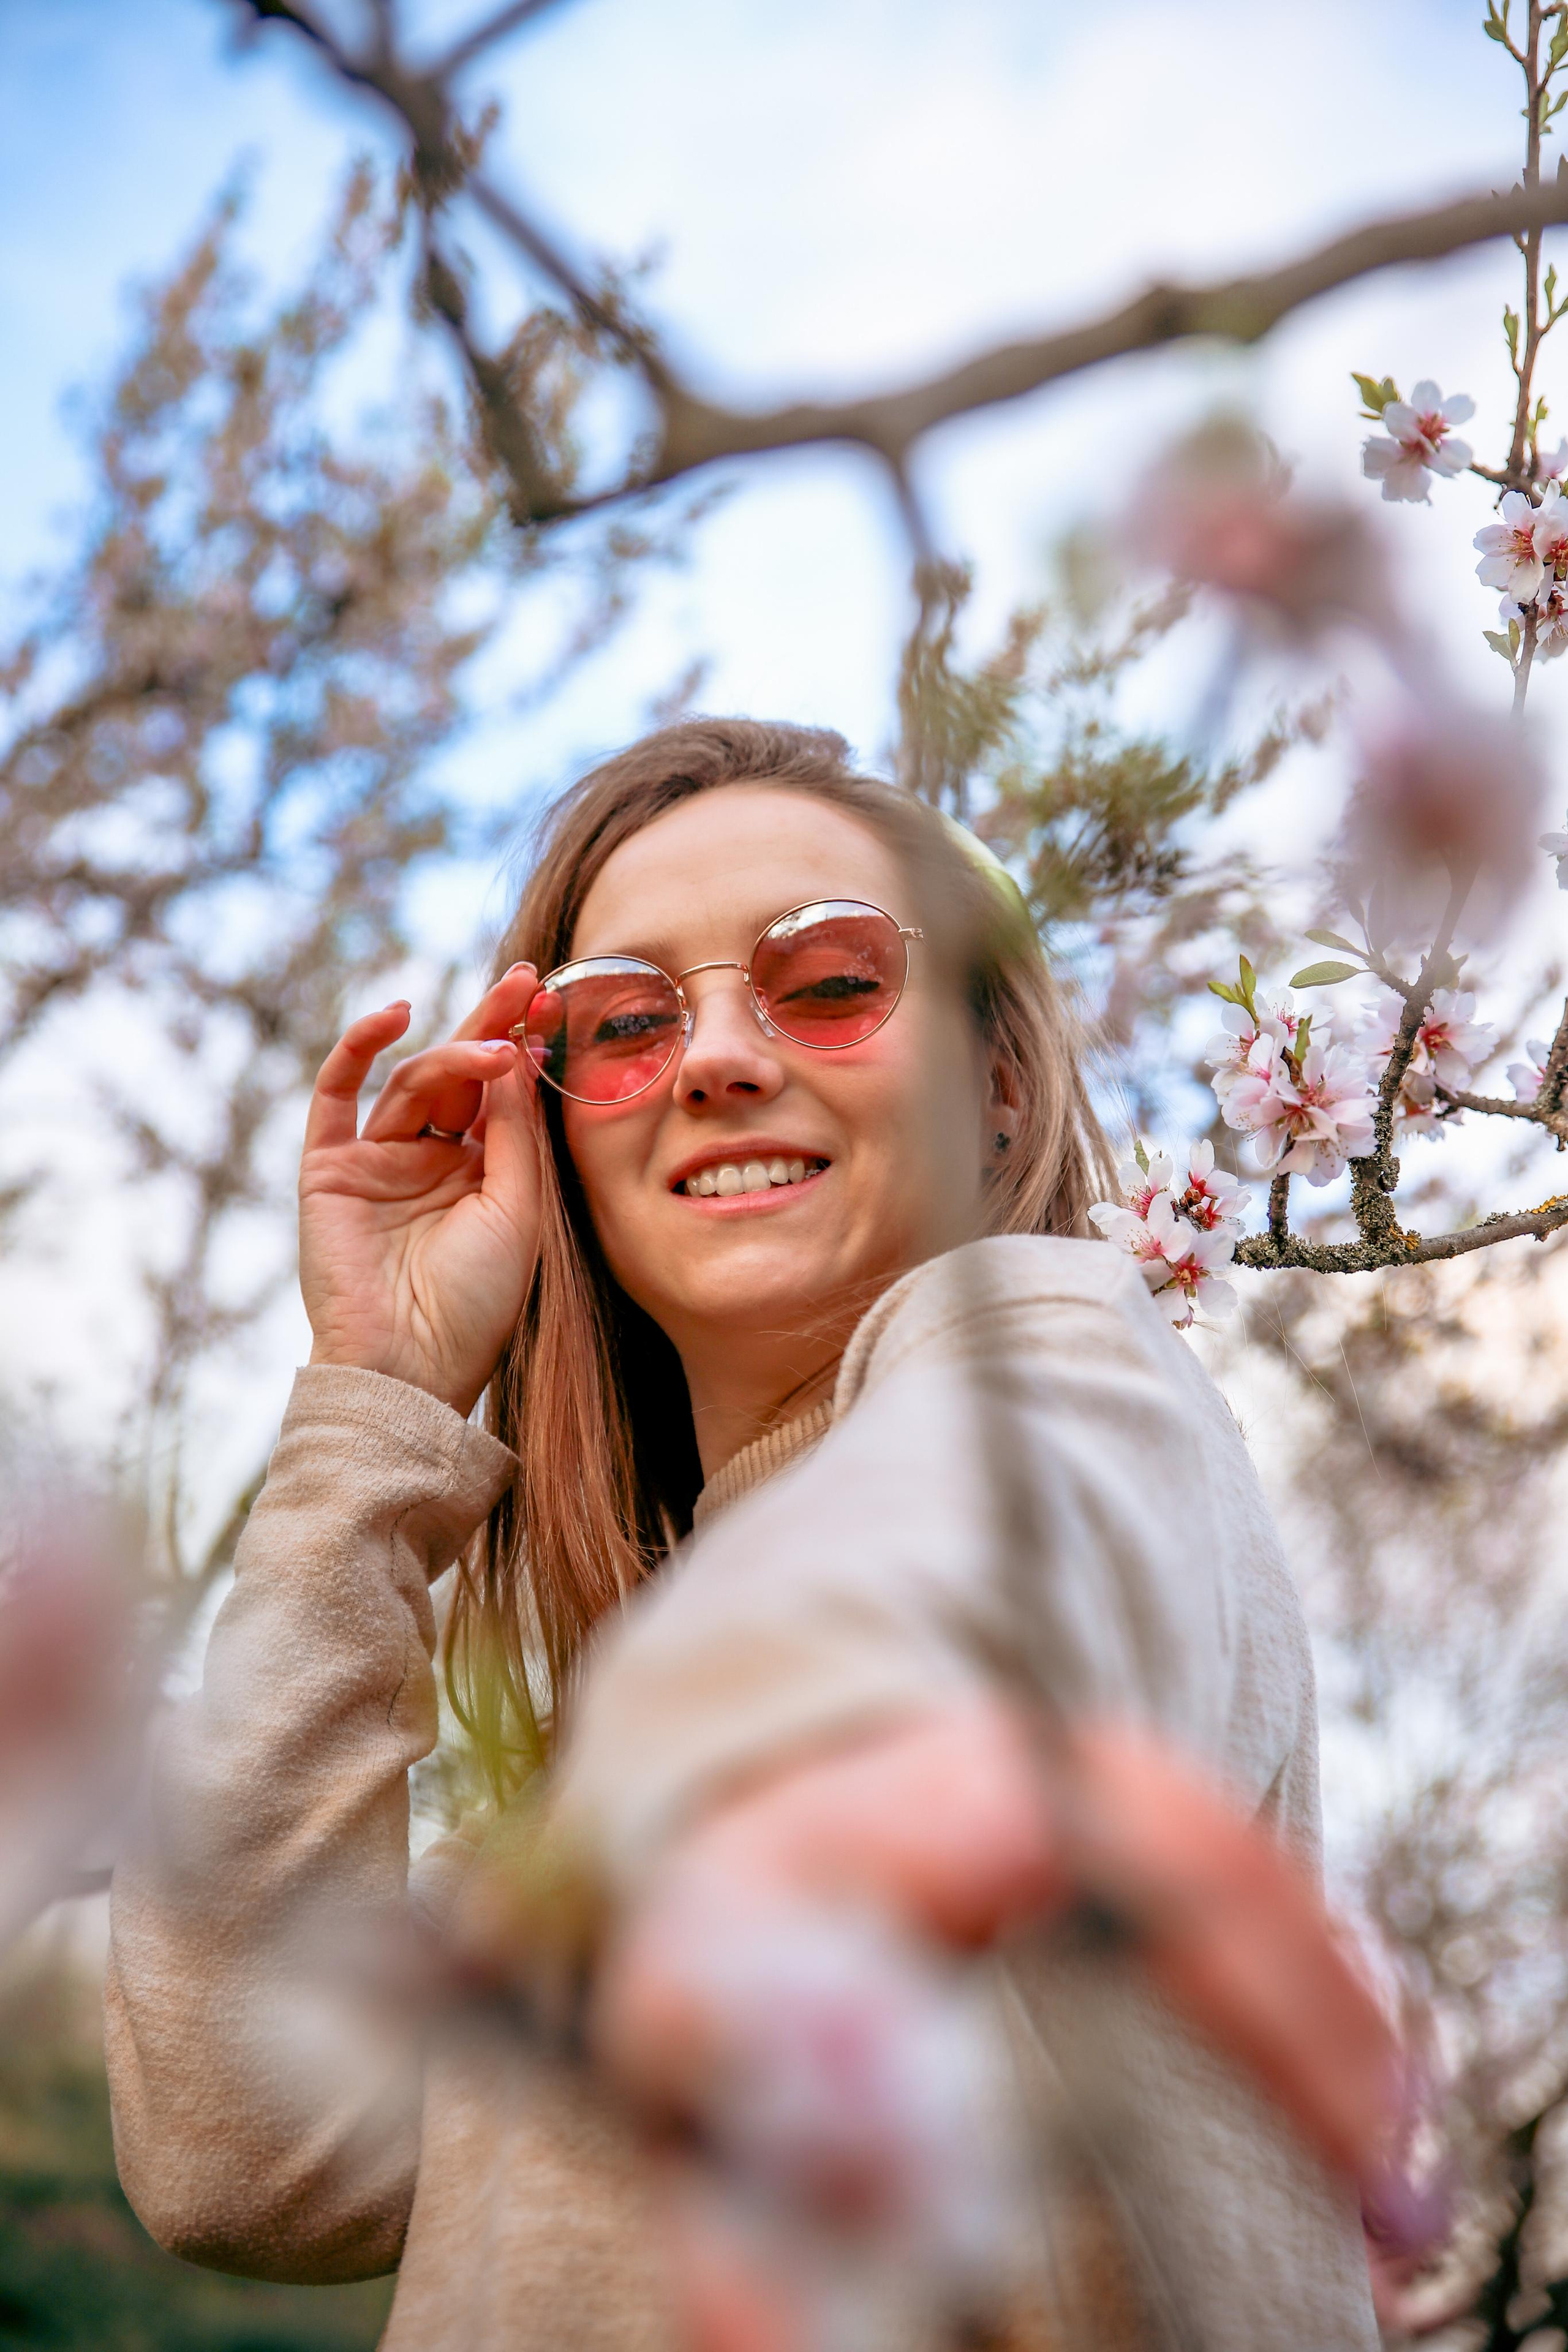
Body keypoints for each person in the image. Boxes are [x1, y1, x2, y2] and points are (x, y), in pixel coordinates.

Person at [104, 719, 1385, 2351]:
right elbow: (247, 2149)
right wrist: (374, 1399)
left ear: (997, 1089)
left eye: (832, 981)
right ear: (557, 1129)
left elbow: (979, 1587)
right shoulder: (597, 1802)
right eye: (626, 1021)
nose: (716, 1058)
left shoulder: (1058, 1354)